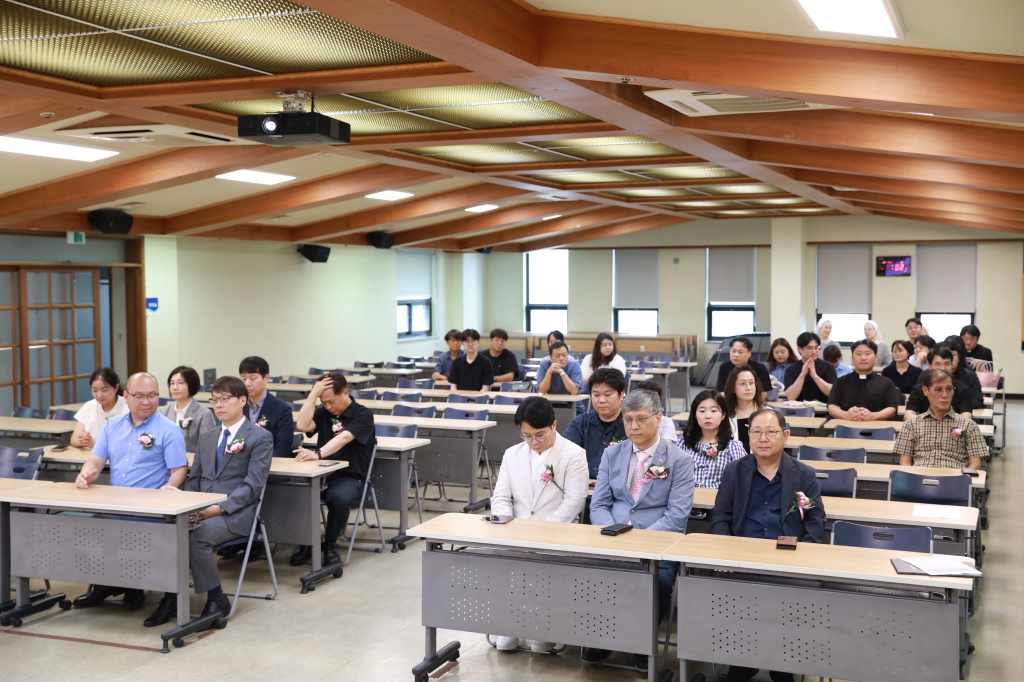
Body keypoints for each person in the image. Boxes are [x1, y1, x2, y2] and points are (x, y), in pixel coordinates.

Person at [143, 376, 273, 628]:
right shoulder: (208, 435)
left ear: (243, 400)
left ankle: (216, 598)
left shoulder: (259, 437)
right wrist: (187, 504)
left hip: (236, 513)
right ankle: (171, 597)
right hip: (201, 509)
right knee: (168, 531)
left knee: (194, 537)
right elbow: (195, 479)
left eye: (225, 399)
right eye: (215, 400)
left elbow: (253, 485)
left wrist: (217, 508)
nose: (219, 405)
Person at [712, 408, 826, 682]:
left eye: (771, 432)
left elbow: (814, 521)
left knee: (786, 601)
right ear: (748, 436)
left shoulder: (802, 476)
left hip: (786, 561)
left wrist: (803, 559)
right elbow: (721, 516)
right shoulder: (734, 472)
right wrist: (722, 554)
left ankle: (781, 664)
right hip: (741, 560)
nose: (763, 438)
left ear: (785, 436)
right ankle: (742, 661)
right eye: (756, 432)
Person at [587, 389, 695, 670]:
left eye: (641, 419)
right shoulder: (613, 454)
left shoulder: (679, 460)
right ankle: (603, 637)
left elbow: (676, 516)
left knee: (655, 583)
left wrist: (639, 544)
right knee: (589, 575)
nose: (633, 427)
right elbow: (598, 505)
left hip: (658, 546)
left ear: (658, 419)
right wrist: (612, 534)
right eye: (628, 420)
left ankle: (640, 643)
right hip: (612, 540)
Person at [72, 373, 187, 611]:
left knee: (129, 534)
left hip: (150, 510)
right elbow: (94, 461)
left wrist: (171, 485)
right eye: (139, 396)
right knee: (83, 529)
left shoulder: (168, 430)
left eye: (152, 396)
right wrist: (85, 473)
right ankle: (108, 584)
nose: (147, 401)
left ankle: (135, 587)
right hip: (116, 504)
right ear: (126, 397)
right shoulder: (112, 426)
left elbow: (179, 470)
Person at [489, 396, 588, 652]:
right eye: (527, 436)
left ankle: (545, 629)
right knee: (506, 570)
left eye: (540, 435)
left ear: (554, 425)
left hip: (556, 533)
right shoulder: (513, 454)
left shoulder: (573, 454)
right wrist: (507, 525)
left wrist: (542, 532)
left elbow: (574, 500)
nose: (533, 442)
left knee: (544, 576)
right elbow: (500, 496)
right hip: (515, 531)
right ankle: (509, 626)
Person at [291, 371, 376, 567]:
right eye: (324, 402)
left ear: (345, 392)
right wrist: (313, 395)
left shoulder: (362, 414)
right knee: (296, 492)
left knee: (338, 498)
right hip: (321, 474)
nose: (328, 406)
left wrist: (318, 453)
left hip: (350, 477)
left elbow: (344, 437)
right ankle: (307, 543)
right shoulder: (324, 411)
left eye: (331, 401)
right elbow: (303, 425)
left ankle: (330, 544)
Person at [895, 369, 987, 470]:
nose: (944, 395)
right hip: (919, 480)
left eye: (949, 389)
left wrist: (960, 482)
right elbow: (905, 463)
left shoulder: (968, 425)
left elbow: (975, 466)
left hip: (954, 480)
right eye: (938, 389)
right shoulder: (911, 424)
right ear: (925, 391)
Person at [562, 367, 627, 478]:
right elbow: (563, 452)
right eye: (596, 395)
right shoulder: (581, 423)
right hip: (583, 487)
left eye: (607, 395)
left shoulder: (631, 425)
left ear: (621, 395)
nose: (601, 400)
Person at [679, 390, 747, 489]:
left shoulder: (733, 448)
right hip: (686, 501)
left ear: (723, 415)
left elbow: (742, 481)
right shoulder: (683, 445)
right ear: (695, 415)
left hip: (720, 503)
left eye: (714, 411)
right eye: (702, 411)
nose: (708, 416)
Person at [827, 340, 900, 421]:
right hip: (845, 428)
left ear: (875, 358)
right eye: (858, 354)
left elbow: (892, 409)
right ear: (852, 358)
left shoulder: (887, 383)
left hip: (877, 429)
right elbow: (832, 406)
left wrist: (872, 416)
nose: (863, 358)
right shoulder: (841, 382)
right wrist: (846, 415)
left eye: (868, 354)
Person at [239, 356, 294, 459]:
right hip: (240, 466)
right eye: (243, 378)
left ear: (266, 378)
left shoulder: (282, 409)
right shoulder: (238, 405)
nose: (247, 383)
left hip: (268, 465)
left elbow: (282, 449)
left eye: (253, 378)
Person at [904, 347, 974, 420]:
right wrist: (925, 425)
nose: (943, 368)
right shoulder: (920, 389)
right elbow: (909, 414)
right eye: (938, 364)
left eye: (947, 364)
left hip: (953, 429)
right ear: (930, 367)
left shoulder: (963, 389)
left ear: (951, 365)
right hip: (925, 428)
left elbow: (966, 416)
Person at [159, 365, 216, 453]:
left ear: (191, 385)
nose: (175, 387)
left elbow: (207, 448)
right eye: (172, 383)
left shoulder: (203, 414)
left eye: (180, 383)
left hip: (191, 464)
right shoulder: (163, 412)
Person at [70, 367, 128, 449]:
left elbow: (126, 444)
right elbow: (74, 439)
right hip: (90, 458)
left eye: (104, 390)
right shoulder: (89, 406)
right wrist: (82, 440)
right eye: (95, 390)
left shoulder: (128, 406)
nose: (99, 395)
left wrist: (95, 446)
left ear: (116, 388)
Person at [783, 332, 836, 402]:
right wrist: (802, 375)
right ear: (800, 349)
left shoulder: (828, 367)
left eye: (816, 348)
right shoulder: (791, 370)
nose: (814, 351)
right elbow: (790, 397)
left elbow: (833, 392)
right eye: (809, 348)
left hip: (823, 411)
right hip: (799, 410)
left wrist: (815, 376)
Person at [715, 337, 771, 401]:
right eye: (733, 351)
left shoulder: (760, 368)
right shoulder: (724, 367)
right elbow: (721, 392)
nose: (736, 355)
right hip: (730, 404)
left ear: (749, 353)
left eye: (740, 352)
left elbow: (763, 394)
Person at [724, 365, 763, 453]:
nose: (748, 388)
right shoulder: (724, 415)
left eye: (751, 383)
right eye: (742, 384)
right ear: (733, 388)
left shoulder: (767, 413)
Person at [536, 341, 584, 413]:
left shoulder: (575, 365)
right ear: (550, 357)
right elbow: (543, 390)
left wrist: (562, 372)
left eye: (564, 355)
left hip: (574, 407)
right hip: (551, 406)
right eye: (557, 356)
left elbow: (574, 391)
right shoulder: (544, 364)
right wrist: (549, 372)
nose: (561, 358)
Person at [633, 379, 683, 445]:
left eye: (654, 399)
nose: (649, 403)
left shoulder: (666, 422)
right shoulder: (629, 421)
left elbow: (666, 447)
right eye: (644, 399)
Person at [942, 337, 985, 410]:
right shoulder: (926, 376)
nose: (949, 359)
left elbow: (978, 401)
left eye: (953, 355)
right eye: (945, 355)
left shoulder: (970, 376)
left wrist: (953, 405)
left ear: (959, 357)